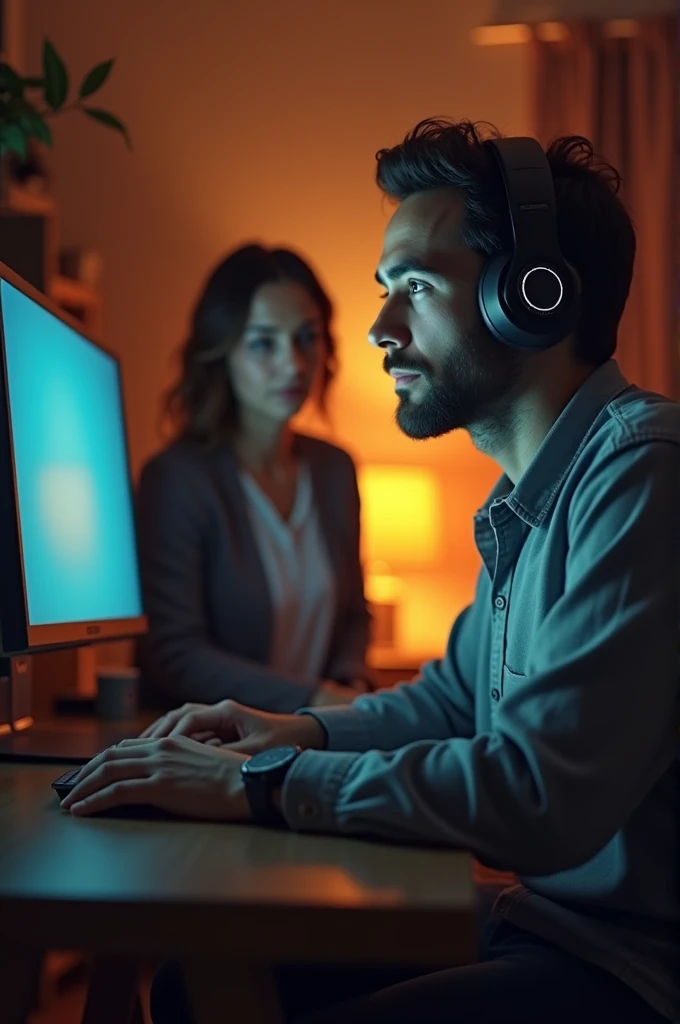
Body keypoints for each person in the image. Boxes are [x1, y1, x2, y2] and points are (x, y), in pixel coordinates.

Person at [62, 120, 679, 1024]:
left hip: (633, 968)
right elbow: (449, 704)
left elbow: (541, 798)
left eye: (416, 288)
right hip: (548, 923)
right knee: (197, 985)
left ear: (535, 298)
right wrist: (291, 731)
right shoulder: (529, 498)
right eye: (385, 290)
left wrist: (258, 785)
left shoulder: (642, 474)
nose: (380, 330)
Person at [135, 244, 372, 714]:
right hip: (205, 744)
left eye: (307, 337)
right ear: (221, 352)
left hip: (314, 741)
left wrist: (351, 686)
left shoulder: (334, 469)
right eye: (264, 342)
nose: (294, 364)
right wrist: (316, 700)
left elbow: (353, 617)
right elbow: (175, 655)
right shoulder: (176, 479)